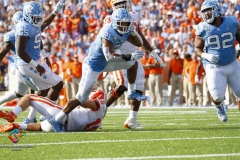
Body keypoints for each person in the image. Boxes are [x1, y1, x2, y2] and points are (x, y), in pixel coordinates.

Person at [48, 8, 144, 132]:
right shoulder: (108, 31)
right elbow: (108, 56)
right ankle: (57, 119)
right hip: (93, 66)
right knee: (81, 98)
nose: (124, 26)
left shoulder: (125, 31)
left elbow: (139, 43)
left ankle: (131, 91)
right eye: (122, 23)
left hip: (104, 63)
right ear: (115, 22)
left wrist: (134, 32)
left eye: (127, 23)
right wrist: (128, 56)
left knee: (132, 63)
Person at [0, 1, 65, 124]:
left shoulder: (32, 25)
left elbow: (38, 38)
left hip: (29, 64)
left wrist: (55, 11)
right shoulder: (21, 29)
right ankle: (45, 116)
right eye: (36, 18)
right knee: (55, 84)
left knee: (40, 90)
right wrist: (37, 65)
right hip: (25, 66)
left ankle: (29, 118)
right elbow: (17, 51)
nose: (39, 20)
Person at [105, 0, 165, 129]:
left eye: (123, 2)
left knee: (139, 86)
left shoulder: (134, 15)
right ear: (112, 6)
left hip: (133, 54)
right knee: (122, 85)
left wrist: (153, 53)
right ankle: (99, 114)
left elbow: (140, 37)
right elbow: (107, 40)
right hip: (118, 54)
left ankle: (132, 119)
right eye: (118, 3)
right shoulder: (109, 19)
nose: (122, 5)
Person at [195, 0, 240, 122]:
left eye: (208, 11)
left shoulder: (231, 22)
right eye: (203, 12)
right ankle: (219, 106)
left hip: (232, 63)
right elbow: (197, 49)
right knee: (217, 96)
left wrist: (239, 47)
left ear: (217, 10)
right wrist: (206, 55)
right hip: (214, 66)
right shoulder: (202, 28)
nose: (206, 15)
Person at [0, 89, 107, 132]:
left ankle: (12, 114)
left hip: (60, 117)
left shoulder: (98, 105)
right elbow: (41, 127)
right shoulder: (97, 123)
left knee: (29, 97)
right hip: (58, 128)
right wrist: (19, 126)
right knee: (42, 125)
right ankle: (18, 125)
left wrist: (81, 97)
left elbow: (80, 101)